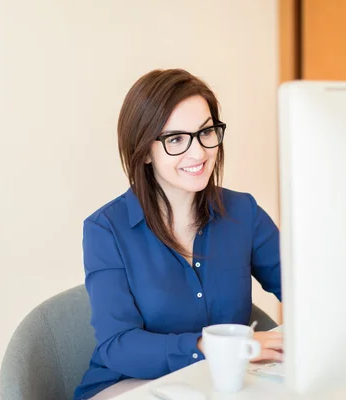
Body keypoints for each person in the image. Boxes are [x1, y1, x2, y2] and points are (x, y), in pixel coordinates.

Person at [74, 68, 283, 400]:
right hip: (127, 387)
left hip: (214, 385)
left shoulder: (244, 212)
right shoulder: (105, 230)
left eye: (206, 132)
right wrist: (217, 347)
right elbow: (118, 346)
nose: (198, 153)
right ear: (144, 151)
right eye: (175, 139)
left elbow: (304, 290)